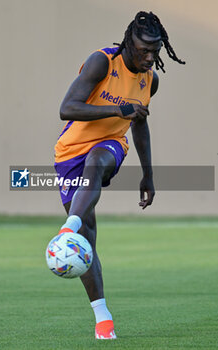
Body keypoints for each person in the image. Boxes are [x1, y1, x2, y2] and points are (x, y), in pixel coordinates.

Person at [54, 11, 185, 339]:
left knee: (97, 161)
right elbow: (66, 108)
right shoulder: (102, 62)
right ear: (128, 44)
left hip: (110, 145)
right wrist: (118, 109)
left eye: (155, 51)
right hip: (70, 153)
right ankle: (103, 318)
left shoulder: (150, 79)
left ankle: (67, 227)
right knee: (87, 240)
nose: (149, 57)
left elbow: (139, 123)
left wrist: (148, 175)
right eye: (143, 50)